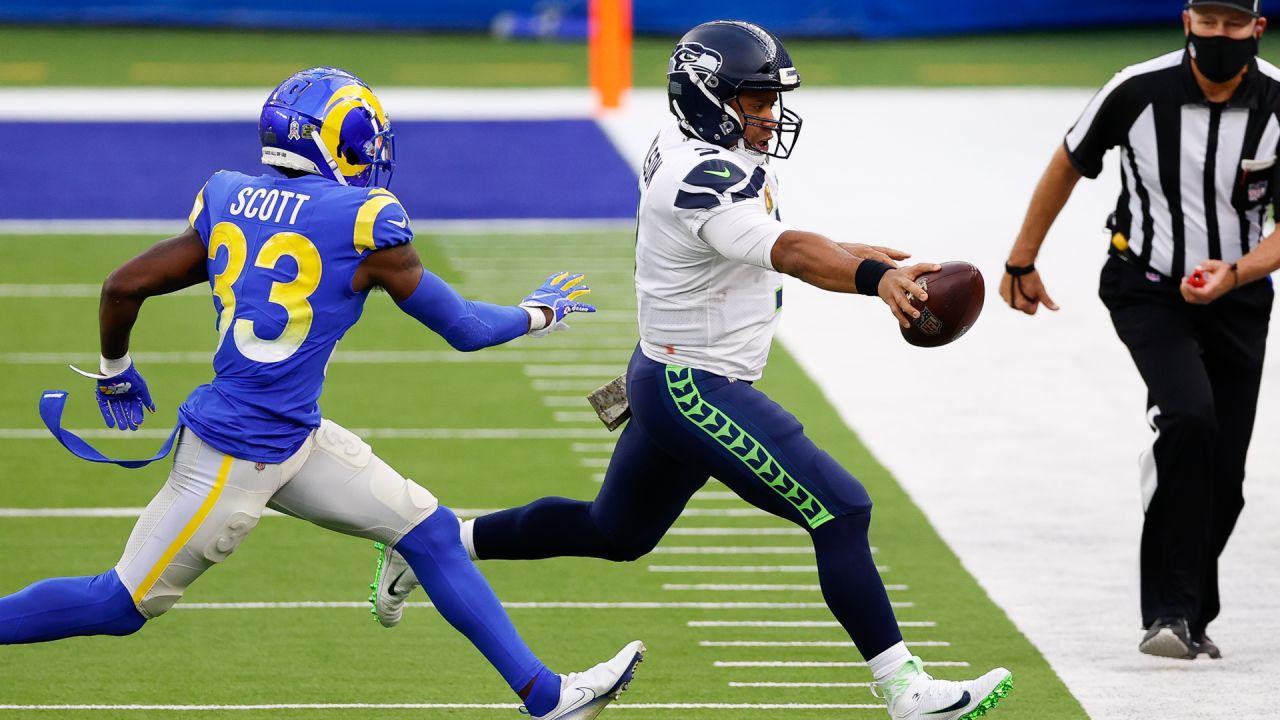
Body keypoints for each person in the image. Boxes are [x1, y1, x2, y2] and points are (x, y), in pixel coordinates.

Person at [370, 21, 1013, 720]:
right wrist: (871, 279)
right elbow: (790, 251)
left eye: (771, 99)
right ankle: (905, 690)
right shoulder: (699, 172)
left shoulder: (704, 147)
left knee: (613, 532)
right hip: (691, 385)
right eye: (757, 99)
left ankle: (438, 544)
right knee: (841, 508)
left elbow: (763, 239)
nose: (769, 114)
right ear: (709, 96)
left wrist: (872, 263)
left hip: (664, 372)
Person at [0, 67, 645, 720]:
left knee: (431, 535)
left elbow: (122, 286)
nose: (368, 154)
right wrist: (538, 313)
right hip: (233, 456)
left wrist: (116, 369)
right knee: (117, 604)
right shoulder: (363, 221)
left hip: (292, 438)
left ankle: (547, 698)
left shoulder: (227, 195)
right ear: (325, 141)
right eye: (359, 139)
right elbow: (466, 328)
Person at [1000, 0, 1280, 660]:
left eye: (1232, 24)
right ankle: (1169, 615)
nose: (1218, 35)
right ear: (1187, 21)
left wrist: (1234, 273)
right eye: (1206, 22)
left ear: (1256, 28)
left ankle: (1192, 614)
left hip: (1239, 298)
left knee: (1226, 479)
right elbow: (1068, 161)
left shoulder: (1278, 103)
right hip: (1145, 286)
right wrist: (1021, 259)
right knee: (1189, 418)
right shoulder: (1137, 89)